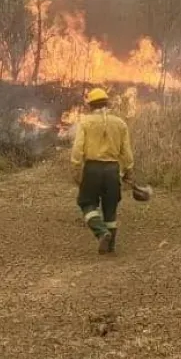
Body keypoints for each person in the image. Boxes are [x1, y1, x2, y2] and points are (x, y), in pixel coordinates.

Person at [70, 87, 135, 254]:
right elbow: (126, 151)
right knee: (110, 206)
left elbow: (78, 149)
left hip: (93, 169)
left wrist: (76, 168)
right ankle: (111, 245)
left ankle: (101, 232)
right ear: (107, 103)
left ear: (91, 105)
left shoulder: (85, 122)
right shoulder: (120, 123)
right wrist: (128, 170)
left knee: (86, 202)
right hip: (113, 170)